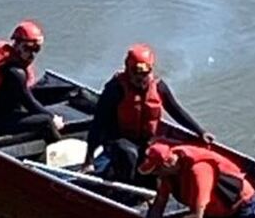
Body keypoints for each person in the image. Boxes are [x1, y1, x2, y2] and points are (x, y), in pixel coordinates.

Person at [79, 43, 213, 184]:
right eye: (135, 72)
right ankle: (125, 189)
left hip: (147, 140)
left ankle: (155, 188)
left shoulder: (159, 87)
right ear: (128, 70)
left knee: (161, 157)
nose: (140, 78)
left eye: (144, 73)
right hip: (118, 139)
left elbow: (176, 110)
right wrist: (89, 160)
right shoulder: (115, 89)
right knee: (129, 154)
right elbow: (98, 123)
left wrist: (200, 131)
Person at [133, 141, 255, 218]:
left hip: (242, 208)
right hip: (213, 212)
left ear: (167, 164)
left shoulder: (199, 170)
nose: (156, 175)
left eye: (156, 170)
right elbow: (160, 202)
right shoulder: (168, 174)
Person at [0, 20, 65, 142]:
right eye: (27, 48)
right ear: (16, 45)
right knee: (46, 121)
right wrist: (53, 118)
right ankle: (61, 150)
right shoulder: (15, 73)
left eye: (36, 49)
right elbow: (30, 104)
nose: (32, 54)